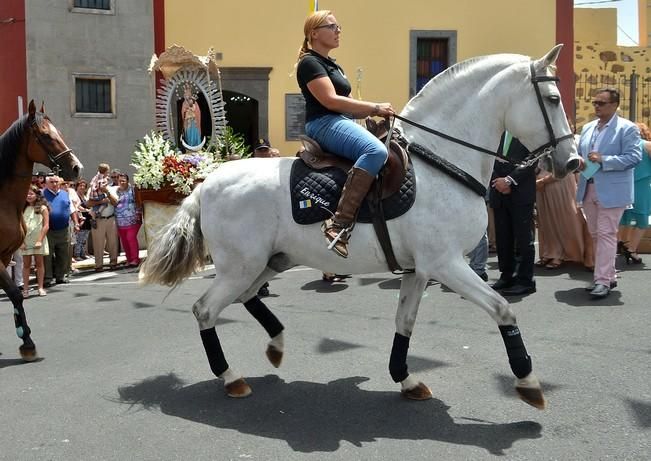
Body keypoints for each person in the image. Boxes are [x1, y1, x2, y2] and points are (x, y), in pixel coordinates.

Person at [296, 10, 394, 258]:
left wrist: (374, 116)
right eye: (333, 26)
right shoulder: (310, 63)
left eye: (339, 26)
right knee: (376, 151)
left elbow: (348, 103)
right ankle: (339, 223)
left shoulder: (332, 65)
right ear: (314, 33)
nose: (339, 30)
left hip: (340, 120)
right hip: (324, 122)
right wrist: (375, 107)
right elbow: (330, 101)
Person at [576, 87, 642, 298]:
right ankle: (609, 275)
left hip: (613, 190)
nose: (596, 106)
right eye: (595, 102)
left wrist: (604, 160)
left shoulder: (627, 128)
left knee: (605, 234)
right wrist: (579, 162)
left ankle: (602, 280)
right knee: (596, 234)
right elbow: (582, 154)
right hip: (588, 186)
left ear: (614, 105)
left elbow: (634, 158)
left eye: (601, 103)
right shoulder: (587, 128)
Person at [489, 132, 537, 296]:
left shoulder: (527, 132)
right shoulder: (498, 132)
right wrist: (499, 181)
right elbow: (489, 158)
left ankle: (526, 280)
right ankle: (507, 275)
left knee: (524, 239)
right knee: (503, 238)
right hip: (498, 190)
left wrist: (509, 180)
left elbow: (531, 161)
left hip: (520, 192)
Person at [535, 169, 594, 270]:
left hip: (561, 179)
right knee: (547, 220)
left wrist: (544, 180)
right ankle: (551, 252)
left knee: (568, 219)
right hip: (540, 178)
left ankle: (572, 252)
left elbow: (567, 166)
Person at [618, 122, 651, 265]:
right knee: (642, 220)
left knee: (622, 218)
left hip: (623, 186)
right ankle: (631, 249)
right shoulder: (647, 145)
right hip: (641, 187)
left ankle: (621, 243)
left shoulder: (622, 147)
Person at [43, 175, 79, 286]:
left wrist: (76, 223)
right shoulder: (42, 194)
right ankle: (47, 278)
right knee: (47, 256)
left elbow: (72, 209)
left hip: (64, 229)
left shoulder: (65, 194)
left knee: (63, 254)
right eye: (52, 182)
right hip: (48, 230)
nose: (54, 184)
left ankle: (61, 276)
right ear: (46, 184)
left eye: (56, 182)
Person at [86, 173, 120, 272]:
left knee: (113, 242)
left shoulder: (113, 189)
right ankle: (98, 265)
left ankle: (113, 262)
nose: (103, 182)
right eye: (101, 180)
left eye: (105, 179)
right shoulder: (92, 189)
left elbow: (115, 203)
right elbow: (88, 203)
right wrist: (101, 202)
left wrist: (107, 192)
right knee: (98, 243)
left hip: (111, 218)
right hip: (98, 219)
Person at [21, 186, 50, 297]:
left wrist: (39, 240)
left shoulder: (43, 208)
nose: (29, 196)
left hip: (39, 240)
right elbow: (19, 226)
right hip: (26, 241)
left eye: (31, 194)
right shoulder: (22, 208)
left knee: (39, 264)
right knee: (26, 265)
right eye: (27, 194)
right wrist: (21, 242)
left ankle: (40, 287)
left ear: (37, 195)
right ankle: (25, 289)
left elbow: (46, 225)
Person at [114, 173, 142, 268]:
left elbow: (138, 202)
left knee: (131, 237)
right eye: (120, 181)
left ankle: (135, 259)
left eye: (123, 181)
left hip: (133, 219)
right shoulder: (116, 191)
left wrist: (138, 213)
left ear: (127, 181)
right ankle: (129, 259)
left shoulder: (133, 190)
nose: (121, 183)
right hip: (120, 220)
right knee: (124, 240)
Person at [73, 179, 92, 261]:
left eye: (84, 186)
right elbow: (77, 207)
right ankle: (77, 254)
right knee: (79, 238)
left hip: (87, 219)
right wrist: (87, 210)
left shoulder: (85, 196)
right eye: (80, 186)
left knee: (84, 238)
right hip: (80, 219)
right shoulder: (75, 196)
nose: (82, 187)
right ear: (77, 187)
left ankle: (83, 253)